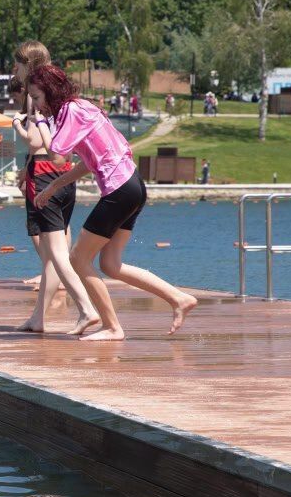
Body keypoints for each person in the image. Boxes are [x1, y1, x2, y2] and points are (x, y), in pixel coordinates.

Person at [30, 64, 197, 341]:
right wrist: (55, 186)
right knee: (110, 264)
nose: (36, 105)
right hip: (133, 186)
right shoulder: (82, 107)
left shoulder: (70, 111)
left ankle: (112, 326)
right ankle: (178, 298)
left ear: (49, 92)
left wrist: (40, 124)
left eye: (37, 97)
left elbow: (58, 157)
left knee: (78, 258)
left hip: (120, 190)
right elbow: (89, 162)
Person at [8, 70, 99, 335]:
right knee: (54, 252)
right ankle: (38, 318)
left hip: (46, 176)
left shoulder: (38, 101)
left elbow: (36, 141)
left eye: (16, 63)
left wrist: (17, 125)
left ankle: (85, 308)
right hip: (64, 176)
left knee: (54, 253)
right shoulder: (64, 102)